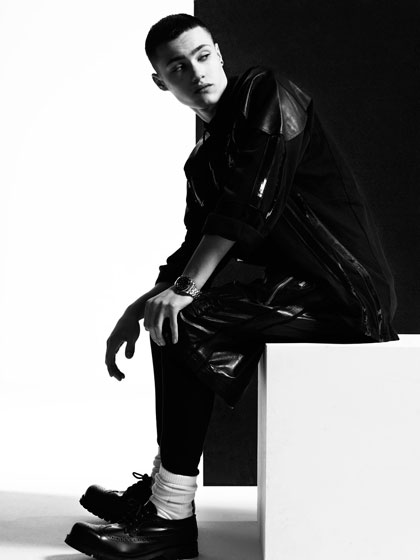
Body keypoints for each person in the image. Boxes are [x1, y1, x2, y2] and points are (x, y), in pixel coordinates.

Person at [64, 13, 398, 560]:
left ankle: (171, 516)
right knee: (170, 314)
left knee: (184, 316)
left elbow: (249, 202)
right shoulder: (203, 159)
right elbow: (195, 245)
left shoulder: (266, 94)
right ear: (160, 82)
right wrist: (139, 306)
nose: (195, 72)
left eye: (202, 56)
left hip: (345, 293)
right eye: (177, 67)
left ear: (218, 53)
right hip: (296, 290)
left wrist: (183, 292)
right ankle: (165, 493)